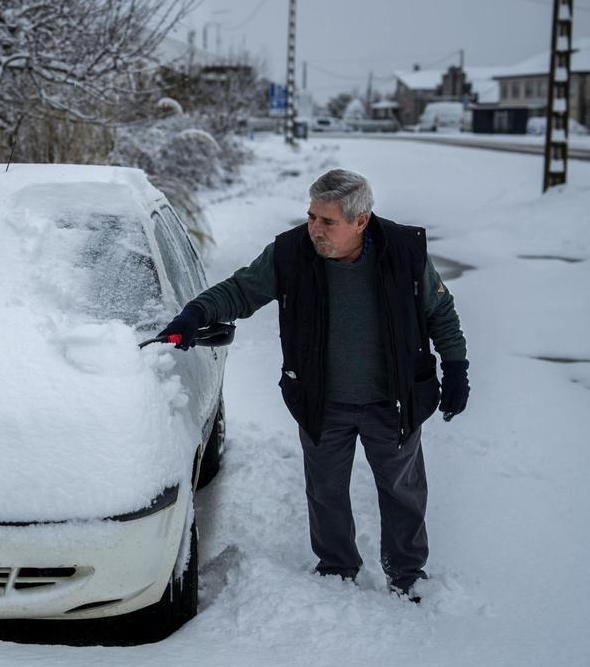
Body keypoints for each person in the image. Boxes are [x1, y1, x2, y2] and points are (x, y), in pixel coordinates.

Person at [158, 169, 468, 602]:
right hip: (323, 401)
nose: (314, 229)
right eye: (311, 217)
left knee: (402, 490)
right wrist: (197, 313)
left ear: (360, 221)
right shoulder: (291, 253)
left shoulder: (403, 251)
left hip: (392, 400)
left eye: (327, 222)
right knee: (325, 490)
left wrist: (456, 367)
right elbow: (241, 290)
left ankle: (406, 572)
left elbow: (440, 311)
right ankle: (338, 568)